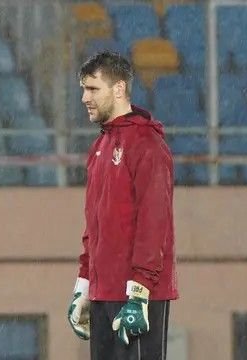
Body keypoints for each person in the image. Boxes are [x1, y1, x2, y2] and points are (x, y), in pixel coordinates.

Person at [67, 51, 179, 360]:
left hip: (136, 296)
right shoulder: (99, 148)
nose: (84, 98)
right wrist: (85, 284)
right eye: (83, 89)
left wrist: (140, 290)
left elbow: (154, 222)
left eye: (92, 89)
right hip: (104, 293)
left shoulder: (148, 144)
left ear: (118, 89)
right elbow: (95, 226)